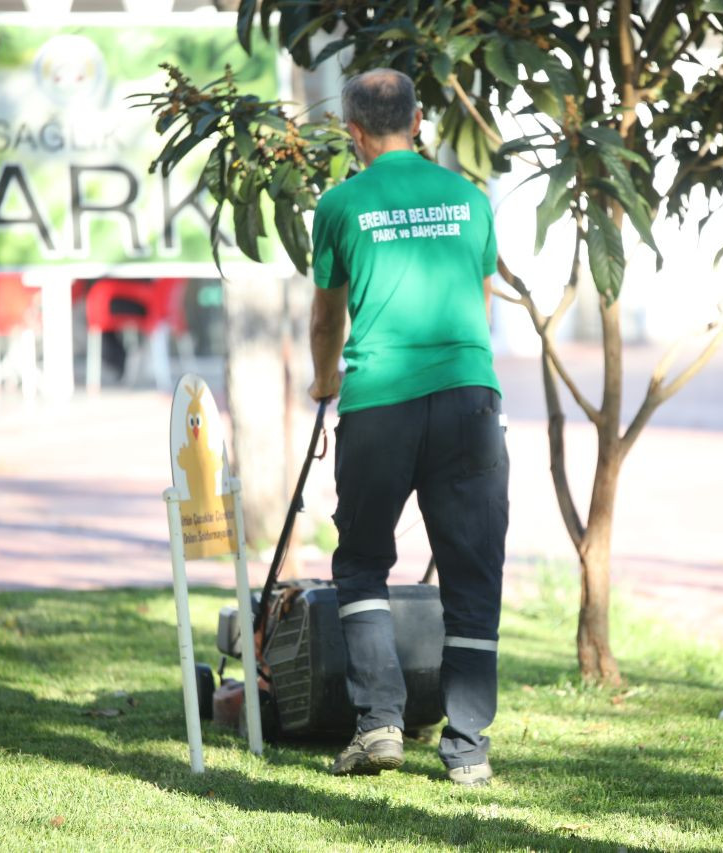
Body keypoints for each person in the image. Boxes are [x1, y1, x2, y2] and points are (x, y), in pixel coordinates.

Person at [307, 68, 509, 787]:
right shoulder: (469, 198)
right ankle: (468, 749)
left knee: (363, 560)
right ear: (418, 122)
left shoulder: (339, 204)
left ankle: (380, 724)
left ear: (354, 133)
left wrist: (325, 378)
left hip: (379, 401)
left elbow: (327, 313)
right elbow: (482, 297)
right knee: (472, 569)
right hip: (468, 399)